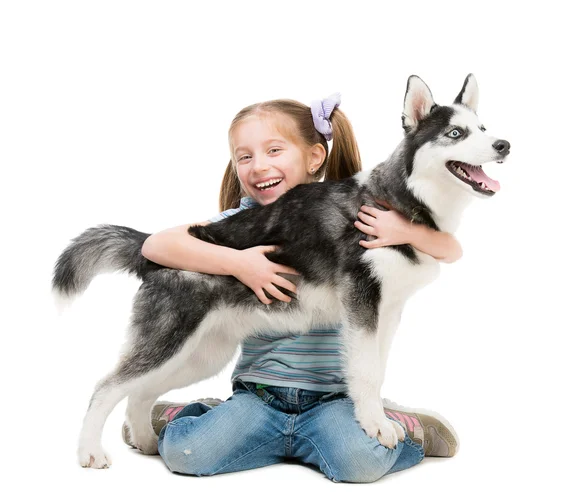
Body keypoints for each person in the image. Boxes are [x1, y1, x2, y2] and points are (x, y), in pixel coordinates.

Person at [123, 94, 462, 482]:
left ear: (314, 157)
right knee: (187, 454)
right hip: (259, 398)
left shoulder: (347, 210)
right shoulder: (240, 224)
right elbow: (156, 246)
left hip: (335, 402)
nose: (258, 166)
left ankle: (405, 428)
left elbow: (450, 249)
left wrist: (404, 230)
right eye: (244, 156)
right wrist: (239, 262)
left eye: (273, 150)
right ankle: (182, 416)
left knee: (361, 464)